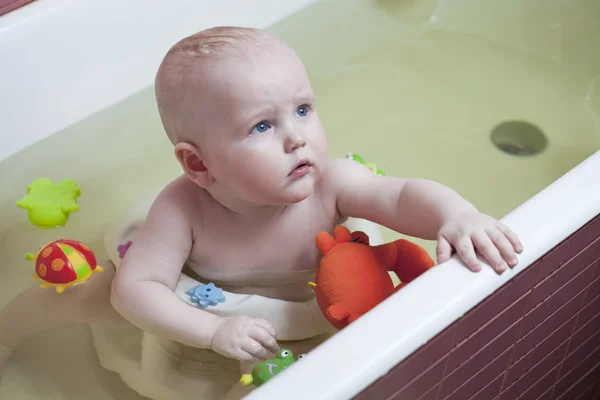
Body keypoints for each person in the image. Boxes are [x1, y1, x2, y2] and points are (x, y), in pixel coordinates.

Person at [0, 26, 522, 399]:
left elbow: (403, 197)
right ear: (198, 163)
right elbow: (137, 290)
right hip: (207, 310)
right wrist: (209, 332)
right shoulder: (183, 207)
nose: (297, 136)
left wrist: (457, 214)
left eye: (302, 109)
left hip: (308, 311)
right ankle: (8, 330)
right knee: (84, 291)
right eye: (262, 126)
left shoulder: (332, 183)